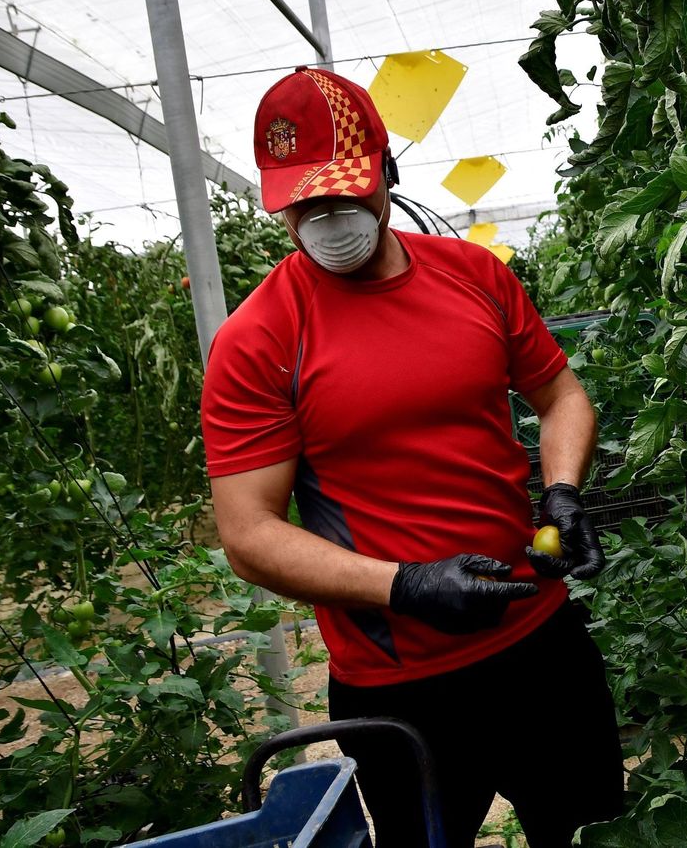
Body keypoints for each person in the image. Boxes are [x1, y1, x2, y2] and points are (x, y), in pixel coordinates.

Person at [200, 66, 624, 848]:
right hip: (399, 688)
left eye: (347, 193)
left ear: (388, 175)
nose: (329, 219)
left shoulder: (476, 277)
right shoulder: (258, 340)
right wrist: (405, 586)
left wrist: (562, 492)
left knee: (595, 832)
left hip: (540, 641)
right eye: (305, 202)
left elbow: (561, 396)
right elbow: (248, 534)